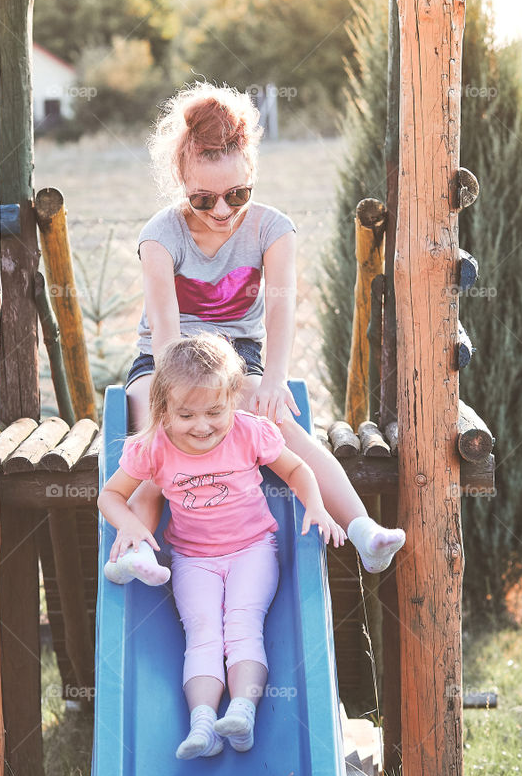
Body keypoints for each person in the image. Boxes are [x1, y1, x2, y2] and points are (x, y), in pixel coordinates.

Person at [104, 79, 406, 587]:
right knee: (156, 436)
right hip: (163, 360)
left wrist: (272, 381)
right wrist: (176, 400)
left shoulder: (273, 229)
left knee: (282, 428)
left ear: (253, 175)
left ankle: (362, 530)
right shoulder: (160, 235)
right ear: (181, 182)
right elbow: (164, 333)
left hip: (239, 356)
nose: (222, 211)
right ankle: (135, 549)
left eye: (237, 194)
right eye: (203, 199)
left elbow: (281, 312)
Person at [97, 334, 344, 759]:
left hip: (253, 551)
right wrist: (130, 527)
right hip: (193, 559)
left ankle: (243, 713)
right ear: (164, 409)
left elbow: (298, 468)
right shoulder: (154, 446)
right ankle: (203, 725)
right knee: (204, 635)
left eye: (214, 411)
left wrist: (317, 506)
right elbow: (110, 496)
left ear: (233, 400)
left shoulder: (249, 432)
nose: (202, 425)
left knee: (242, 626)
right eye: (186, 414)